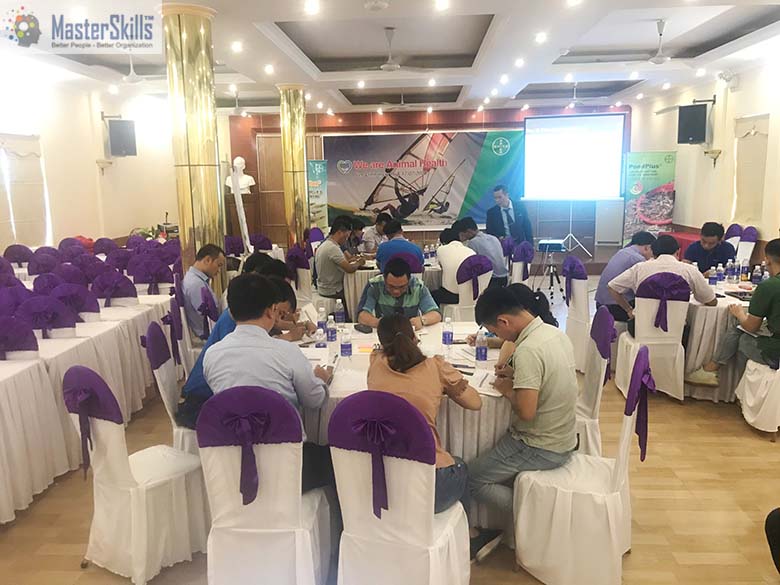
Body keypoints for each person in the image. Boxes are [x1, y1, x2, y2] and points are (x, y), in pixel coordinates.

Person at [468, 285, 577, 562]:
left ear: (504, 321)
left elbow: (527, 412)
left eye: (494, 331)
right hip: (564, 434)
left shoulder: (528, 350)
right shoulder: (553, 333)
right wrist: (516, 375)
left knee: (468, 478)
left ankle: (537, 515)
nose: (498, 337)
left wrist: (507, 389)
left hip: (540, 444)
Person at [202, 273, 334, 492]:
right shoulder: (287, 352)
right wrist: (321, 379)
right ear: (272, 311)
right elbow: (315, 400)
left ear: (231, 312)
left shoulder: (212, 355)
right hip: (288, 467)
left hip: (233, 466)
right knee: (342, 457)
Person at [367, 314, 482, 515]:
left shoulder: (375, 364)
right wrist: (446, 385)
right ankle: (467, 530)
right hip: (430, 485)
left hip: (385, 485)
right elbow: (475, 403)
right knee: (460, 465)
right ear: (414, 337)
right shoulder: (435, 367)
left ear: (381, 344)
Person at [687, 238, 780, 386]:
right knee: (740, 327)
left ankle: (726, 378)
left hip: (775, 350)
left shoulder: (769, 286)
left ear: (767, 260)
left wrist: (740, 314)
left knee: (743, 336)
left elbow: (751, 327)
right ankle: (716, 372)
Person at [608, 235, 717, 334]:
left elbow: (612, 287)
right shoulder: (690, 270)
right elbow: (711, 301)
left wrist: (628, 310)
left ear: (652, 252)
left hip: (640, 328)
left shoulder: (640, 268)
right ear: (678, 251)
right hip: (676, 330)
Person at [357, 257, 441, 329]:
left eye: (402, 287)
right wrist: (380, 323)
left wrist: (422, 320)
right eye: (391, 286)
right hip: (385, 333)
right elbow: (362, 315)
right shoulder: (374, 285)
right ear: (384, 279)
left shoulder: (417, 286)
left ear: (409, 280)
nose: (396, 291)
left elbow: (436, 314)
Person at [594, 231, 656, 322]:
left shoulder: (622, 252)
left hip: (600, 305)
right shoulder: (638, 259)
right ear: (647, 248)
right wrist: (629, 310)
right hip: (615, 308)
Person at [315, 217, 366, 320]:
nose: (346, 239)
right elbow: (349, 269)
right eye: (346, 236)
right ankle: (353, 318)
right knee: (359, 293)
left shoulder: (325, 244)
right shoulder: (333, 248)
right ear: (340, 232)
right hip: (332, 289)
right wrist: (359, 263)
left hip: (322, 286)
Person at [182, 244, 225, 339]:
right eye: (218, 265)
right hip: (208, 336)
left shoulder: (194, 279)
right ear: (207, 260)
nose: (219, 271)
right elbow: (211, 318)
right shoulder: (196, 284)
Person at [455, 217, 509, 288]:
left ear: (469, 231)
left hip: (491, 281)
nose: (461, 238)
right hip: (504, 277)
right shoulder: (493, 238)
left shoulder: (473, 243)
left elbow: (469, 264)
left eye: (462, 235)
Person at [432, 227, 475, 305]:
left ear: (444, 242)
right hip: (471, 295)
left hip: (451, 295)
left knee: (431, 296)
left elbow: (441, 266)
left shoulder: (441, 249)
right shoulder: (471, 251)